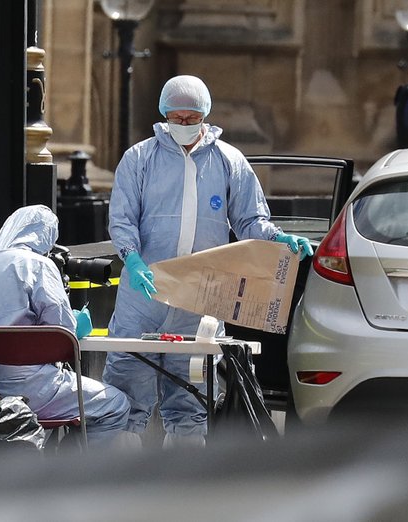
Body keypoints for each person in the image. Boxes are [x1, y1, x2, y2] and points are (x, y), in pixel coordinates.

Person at [104, 74, 313, 449]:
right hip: (144, 291)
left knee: (191, 394)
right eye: (176, 118)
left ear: (205, 116)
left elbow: (250, 219)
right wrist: (132, 260)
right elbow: (122, 219)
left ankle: (183, 488)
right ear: (164, 115)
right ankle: (121, 485)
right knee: (127, 388)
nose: (183, 125)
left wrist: (277, 238)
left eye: (191, 118)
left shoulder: (229, 161)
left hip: (200, 296)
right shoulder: (139, 159)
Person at [0, 205, 130, 446]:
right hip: (23, 392)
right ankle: (69, 475)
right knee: (115, 406)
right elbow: (62, 331)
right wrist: (76, 323)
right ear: (45, 238)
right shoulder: (37, 266)